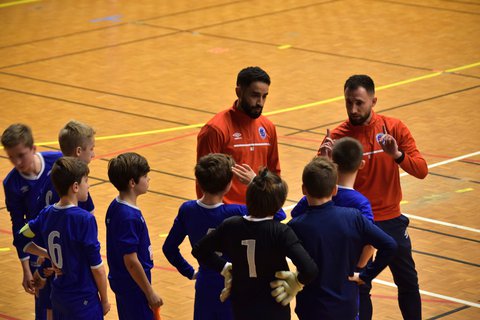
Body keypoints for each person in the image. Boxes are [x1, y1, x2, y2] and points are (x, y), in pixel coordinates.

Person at [318, 74, 428, 319]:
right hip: (356, 224)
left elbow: (421, 170)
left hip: (390, 220)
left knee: (408, 282)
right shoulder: (336, 137)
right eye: (348, 102)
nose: (353, 109)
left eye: (359, 103)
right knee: (360, 286)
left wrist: (398, 155)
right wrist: (323, 162)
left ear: (374, 101)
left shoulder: (394, 128)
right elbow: (318, 185)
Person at [192, 168, 318, 320]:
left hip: (242, 308)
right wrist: (296, 282)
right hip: (274, 308)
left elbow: (199, 250)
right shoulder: (281, 231)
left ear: (248, 198)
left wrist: (225, 268)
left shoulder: (231, 225)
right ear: (279, 204)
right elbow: (309, 269)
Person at [284, 157, 397, 320]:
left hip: (311, 308)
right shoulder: (353, 217)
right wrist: (365, 276)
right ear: (335, 190)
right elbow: (390, 245)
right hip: (346, 307)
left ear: (303, 189)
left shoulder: (296, 226)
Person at [291, 137, 375, 319]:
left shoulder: (313, 197)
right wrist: (359, 267)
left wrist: (322, 168)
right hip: (344, 283)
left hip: (313, 283)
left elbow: (296, 218)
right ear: (361, 165)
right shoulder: (360, 203)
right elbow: (371, 244)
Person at [18, 157, 110, 319]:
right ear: (75, 187)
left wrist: (48, 254)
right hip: (83, 299)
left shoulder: (46, 213)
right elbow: (98, 269)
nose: (88, 185)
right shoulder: (84, 219)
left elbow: (21, 238)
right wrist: (105, 300)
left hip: (59, 296)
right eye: (86, 181)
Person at [163, 153, 248, 320]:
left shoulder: (187, 210)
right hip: (232, 286)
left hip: (205, 285)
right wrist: (254, 183)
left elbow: (169, 248)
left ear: (199, 182)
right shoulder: (237, 212)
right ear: (228, 185)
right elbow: (277, 213)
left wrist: (189, 272)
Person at [1, 123, 62, 320]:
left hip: (64, 243)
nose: (17, 162)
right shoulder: (11, 184)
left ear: (34, 149)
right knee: (44, 305)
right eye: (11, 157)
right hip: (40, 250)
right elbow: (18, 227)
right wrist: (26, 269)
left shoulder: (58, 161)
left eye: (21, 155)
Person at [196, 66, 280, 204]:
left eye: (264, 96)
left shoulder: (268, 127)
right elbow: (204, 180)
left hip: (259, 212)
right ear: (239, 92)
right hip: (227, 217)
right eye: (255, 95)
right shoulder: (215, 129)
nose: (260, 102)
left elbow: (274, 173)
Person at [105, 152, 163, 320]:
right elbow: (131, 261)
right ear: (132, 183)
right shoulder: (128, 216)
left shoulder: (115, 205)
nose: (148, 179)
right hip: (134, 286)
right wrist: (149, 292)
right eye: (145, 176)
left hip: (126, 282)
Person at [35, 120, 96, 214]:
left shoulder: (52, 174)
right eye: (91, 149)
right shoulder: (76, 185)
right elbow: (90, 217)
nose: (93, 154)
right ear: (78, 151)